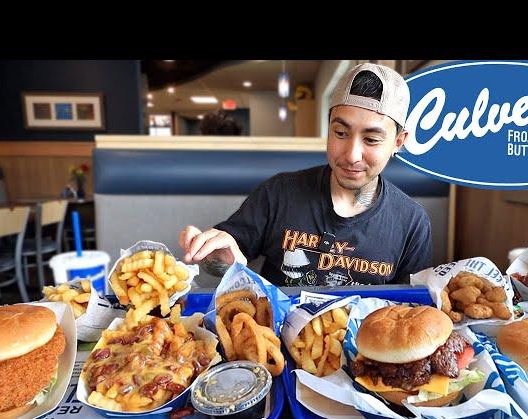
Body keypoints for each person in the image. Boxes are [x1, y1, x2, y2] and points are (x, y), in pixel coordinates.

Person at [179, 63, 433, 286]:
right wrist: (214, 258)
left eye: (371, 139)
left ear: (398, 142)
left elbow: (410, 308)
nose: (352, 154)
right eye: (340, 133)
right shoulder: (279, 193)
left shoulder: (411, 223)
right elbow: (222, 261)